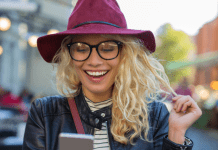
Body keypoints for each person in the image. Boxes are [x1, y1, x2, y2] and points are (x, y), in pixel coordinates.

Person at [22, 0, 202, 149]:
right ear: (69, 56)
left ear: (125, 55)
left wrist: (177, 133)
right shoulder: (45, 113)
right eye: (81, 49)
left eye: (107, 48)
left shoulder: (155, 116)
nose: (93, 61)